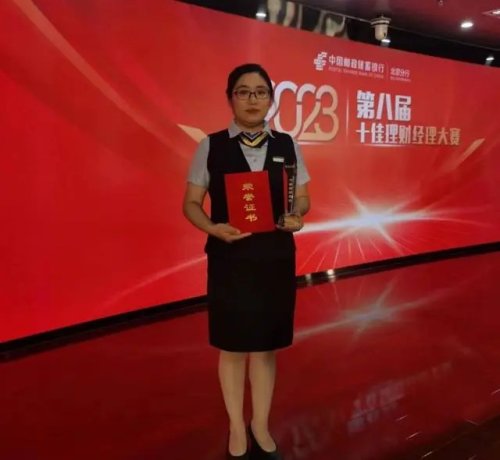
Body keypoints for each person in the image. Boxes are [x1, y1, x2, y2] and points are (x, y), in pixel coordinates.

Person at [183, 63, 310, 459]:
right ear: (230, 98)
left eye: (260, 92)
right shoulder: (211, 145)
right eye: (243, 91)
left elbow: (302, 197)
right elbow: (191, 203)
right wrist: (213, 228)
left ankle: (260, 424)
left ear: (271, 99)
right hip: (230, 259)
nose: (252, 99)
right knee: (234, 346)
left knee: (266, 347)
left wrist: (297, 215)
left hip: (275, 259)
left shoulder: (287, 144)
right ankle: (237, 427)